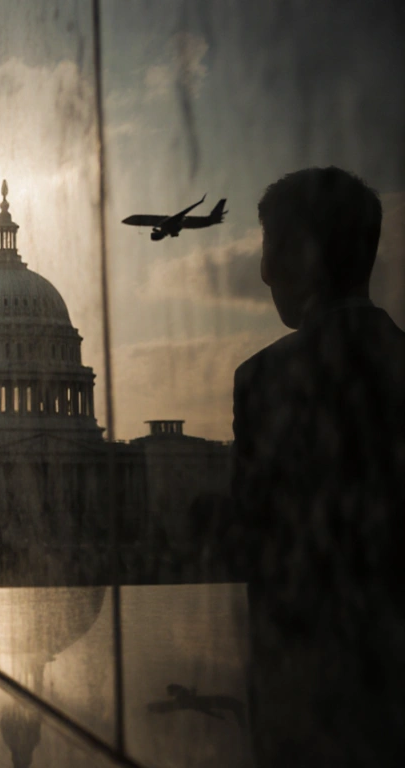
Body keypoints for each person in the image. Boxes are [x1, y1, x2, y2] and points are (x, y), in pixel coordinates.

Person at [231, 166, 404, 767]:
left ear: (304, 255)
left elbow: (258, 544)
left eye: (271, 249)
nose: (262, 272)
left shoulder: (265, 381)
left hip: (304, 701)